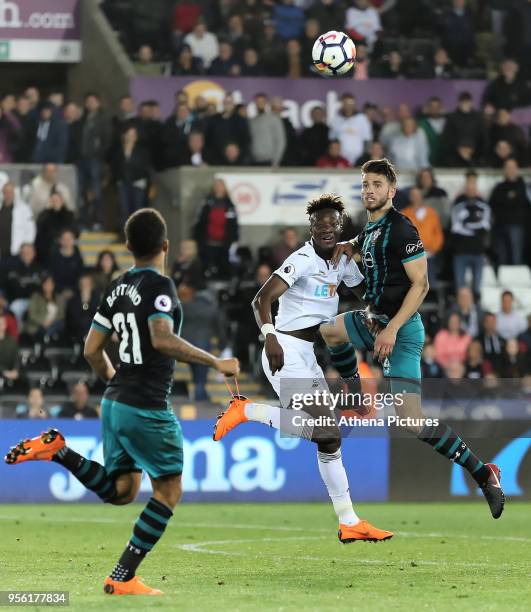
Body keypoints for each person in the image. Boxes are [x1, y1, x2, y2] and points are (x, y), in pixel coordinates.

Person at [5, 207, 239, 595]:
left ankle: (60, 451)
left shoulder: (115, 287)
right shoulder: (161, 287)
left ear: (128, 246)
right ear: (165, 245)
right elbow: (162, 338)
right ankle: (123, 574)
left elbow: (91, 349)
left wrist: (114, 382)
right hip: (146, 404)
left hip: (115, 401)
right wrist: (215, 361)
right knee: (168, 491)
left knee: (123, 490)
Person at [312, 158, 503, 520]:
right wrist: (349, 245)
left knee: (411, 420)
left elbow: (422, 284)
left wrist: (392, 328)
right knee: (330, 330)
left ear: (391, 191)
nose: (369, 189)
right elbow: (366, 245)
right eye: (365, 184)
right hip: (374, 322)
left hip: (400, 330)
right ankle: (355, 392)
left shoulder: (402, 229)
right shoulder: (369, 229)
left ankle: (483, 473)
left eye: (377, 184)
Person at [214, 193, 393, 543]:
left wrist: (379, 313)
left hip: (307, 355)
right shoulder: (302, 259)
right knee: (327, 433)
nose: (326, 229)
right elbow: (261, 299)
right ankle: (246, 410)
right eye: (319, 224)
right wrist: (269, 336)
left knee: (330, 441)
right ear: (311, 228)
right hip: (284, 350)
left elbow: (367, 297)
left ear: (340, 227)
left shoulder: (342, 261)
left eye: (332, 224)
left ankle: (349, 522)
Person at [449, 171, 491, 299]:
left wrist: (466, 227)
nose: (471, 188)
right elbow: (455, 227)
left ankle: (476, 312)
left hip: (478, 252)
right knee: (460, 287)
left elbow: (485, 226)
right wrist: (473, 228)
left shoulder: (483, 204)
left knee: (477, 288)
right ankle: (459, 314)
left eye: (474, 185)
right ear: (466, 185)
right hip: (461, 252)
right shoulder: (457, 203)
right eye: (469, 184)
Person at [193, 178, 239, 279]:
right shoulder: (206, 203)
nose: (218, 188)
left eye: (220, 186)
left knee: (223, 270)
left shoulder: (229, 205)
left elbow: (233, 225)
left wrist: (233, 240)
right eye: (216, 186)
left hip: (224, 245)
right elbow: (200, 222)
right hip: (208, 244)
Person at [489, 158, 530, 266]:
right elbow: (492, 205)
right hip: (500, 225)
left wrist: (508, 200)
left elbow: (524, 204)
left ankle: (516, 281)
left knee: (515, 255)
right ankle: (504, 280)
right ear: (504, 169)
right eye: (507, 167)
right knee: (502, 256)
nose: (510, 170)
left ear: (517, 169)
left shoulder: (523, 186)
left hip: (517, 226)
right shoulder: (499, 187)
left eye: (512, 167)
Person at [400, 186, 444, 288]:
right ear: (410, 197)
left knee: (430, 284)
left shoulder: (431, 213)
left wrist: (434, 249)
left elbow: (438, 233)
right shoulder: (404, 214)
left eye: (418, 195)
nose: (416, 197)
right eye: (413, 195)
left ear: (422, 197)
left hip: (429, 256)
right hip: (412, 257)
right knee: (413, 286)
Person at [110, 126, 150, 230]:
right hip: (123, 183)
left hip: (138, 183)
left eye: (133, 135)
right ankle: (125, 235)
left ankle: (137, 234)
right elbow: (115, 168)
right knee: (124, 210)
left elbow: (145, 168)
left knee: (137, 210)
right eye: (129, 134)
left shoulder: (142, 151)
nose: (131, 137)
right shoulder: (119, 151)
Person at [0, 243, 43, 324]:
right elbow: (7, 286)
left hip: (35, 300)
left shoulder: (39, 269)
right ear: (20, 254)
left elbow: (42, 288)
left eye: (29, 252)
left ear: (34, 253)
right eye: (24, 253)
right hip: (15, 300)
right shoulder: (12, 267)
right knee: (15, 308)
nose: (26, 255)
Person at [329, 93, 373, 167]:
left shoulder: (362, 118)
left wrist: (365, 158)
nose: (348, 106)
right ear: (342, 104)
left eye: (350, 103)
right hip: (341, 160)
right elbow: (332, 140)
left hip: (359, 159)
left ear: (354, 104)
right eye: (345, 103)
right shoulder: (336, 120)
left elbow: (368, 140)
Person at [0, 182, 36, 260]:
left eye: (11, 192)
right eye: (6, 192)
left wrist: (27, 247)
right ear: (2, 193)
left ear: (14, 193)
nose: (8, 194)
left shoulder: (24, 209)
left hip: (17, 252)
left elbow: (31, 230)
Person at [249, 93, 286, 167]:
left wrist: (276, 161)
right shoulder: (252, 121)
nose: (260, 104)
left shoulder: (274, 118)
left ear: (266, 103)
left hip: (269, 161)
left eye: (262, 102)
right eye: (258, 102)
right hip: (254, 161)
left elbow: (281, 140)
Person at [24, 275, 66, 341]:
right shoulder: (35, 297)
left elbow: (61, 314)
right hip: (39, 326)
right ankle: (47, 335)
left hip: (54, 323)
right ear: (42, 285)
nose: (48, 286)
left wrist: (51, 322)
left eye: (50, 283)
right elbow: (32, 314)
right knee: (43, 329)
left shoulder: (59, 298)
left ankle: (47, 335)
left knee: (59, 324)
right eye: (46, 283)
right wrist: (43, 322)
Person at [0, 314, 19, 382]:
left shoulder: (12, 341)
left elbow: (16, 359)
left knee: (34, 388)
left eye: (2, 323)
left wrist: (15, 370)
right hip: (2, 373)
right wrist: (4, 372)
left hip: (13, 373)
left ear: (5, 325)